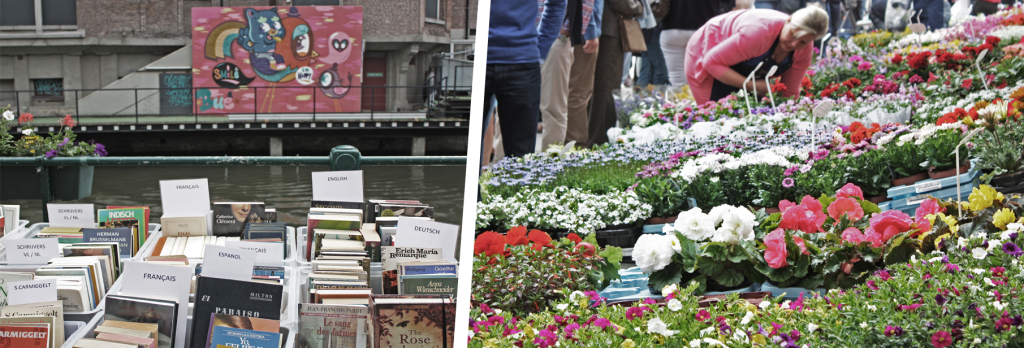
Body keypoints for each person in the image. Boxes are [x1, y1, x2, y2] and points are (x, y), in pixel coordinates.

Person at [479, 0, 567, 202]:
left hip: (523, 61)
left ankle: (511, 225)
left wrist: (540, 51)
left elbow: (557, 3)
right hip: (519, 58)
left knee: (521, 160)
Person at [684, 5, 829, 105]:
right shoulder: (758, 32)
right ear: (789, 20)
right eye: (793, 34)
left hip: (743, 70)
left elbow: (789, 91)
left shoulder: (804, 48)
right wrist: (751, 85)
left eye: (802, 42)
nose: (794, 44)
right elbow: (711, 62)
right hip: (707, 51)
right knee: (714, 117)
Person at [539, 0, 597, 150]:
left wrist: (565, 30)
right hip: (522, 37)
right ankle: (502, 167)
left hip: (554, 35)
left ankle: (549, 166)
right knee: (509, 107)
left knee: (553, 107)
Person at [587, 0, 644, 147]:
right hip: (609, 30)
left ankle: (597, 138)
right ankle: (599, 141)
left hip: (605, 29)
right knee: (606, 86)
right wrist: (638, 6)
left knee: (601, 86)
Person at [661, 0, 732, 86]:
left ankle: (680, 97)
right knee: (706, 79)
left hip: (672, 27)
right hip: (706, 27)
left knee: (677, 80)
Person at [565, 0, 604, 146]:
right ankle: (575, 146)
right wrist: (590, 30)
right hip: (581, 31)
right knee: (578, 92)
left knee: (572, 92)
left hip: (574, 28)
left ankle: (567, 145)